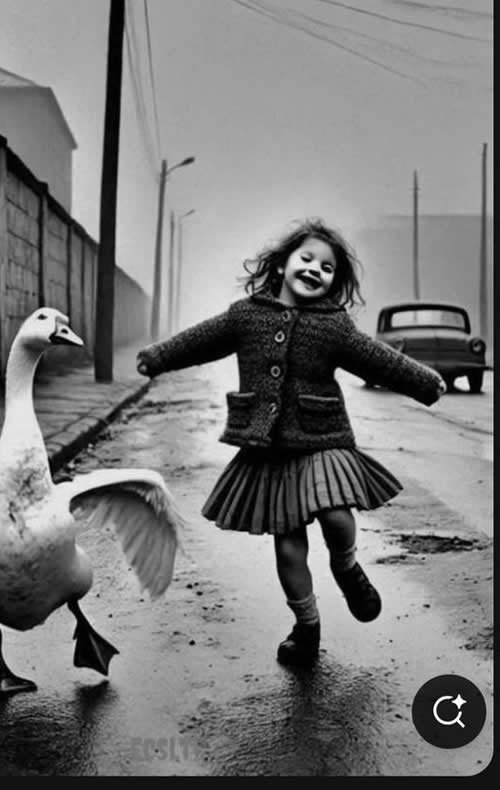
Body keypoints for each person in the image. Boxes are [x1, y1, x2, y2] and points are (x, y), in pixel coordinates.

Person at [136, 218, 445, 666]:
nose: (315, 270)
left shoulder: (333, 326)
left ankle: (346, 566)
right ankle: (306, 626)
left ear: (334, 282)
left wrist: (423, 382)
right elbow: (201, 340)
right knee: (287, 546)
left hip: (323, 439)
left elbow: (377, 361)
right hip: (270, 449)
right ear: (281, 265)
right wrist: (158, 357)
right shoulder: (245, 316)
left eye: (328, 268)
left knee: (337, 515)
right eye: (307, 259)